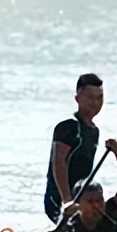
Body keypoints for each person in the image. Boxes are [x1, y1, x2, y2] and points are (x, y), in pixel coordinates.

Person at [44, 73, 104, 223]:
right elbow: (58, 162)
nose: (95, 102)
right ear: (77, 98)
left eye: (99, 97)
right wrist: (67, 200)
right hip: (59, 200)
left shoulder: (94, 131)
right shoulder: (69, 126)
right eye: (90, 97)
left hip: (80, 200)